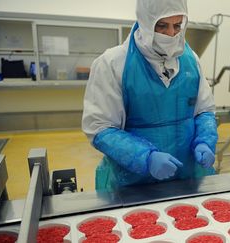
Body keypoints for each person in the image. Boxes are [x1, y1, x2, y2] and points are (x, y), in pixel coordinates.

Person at [82, 0, 218, 191]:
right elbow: (100, 128)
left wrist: (205, 141)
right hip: (133, 185)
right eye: (162, 26)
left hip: (187, 180)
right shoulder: (113, 64)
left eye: (177, 25)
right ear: (145, 22)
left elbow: (204, 111)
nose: (171, 34)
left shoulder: (190, 61)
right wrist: (145, 157)